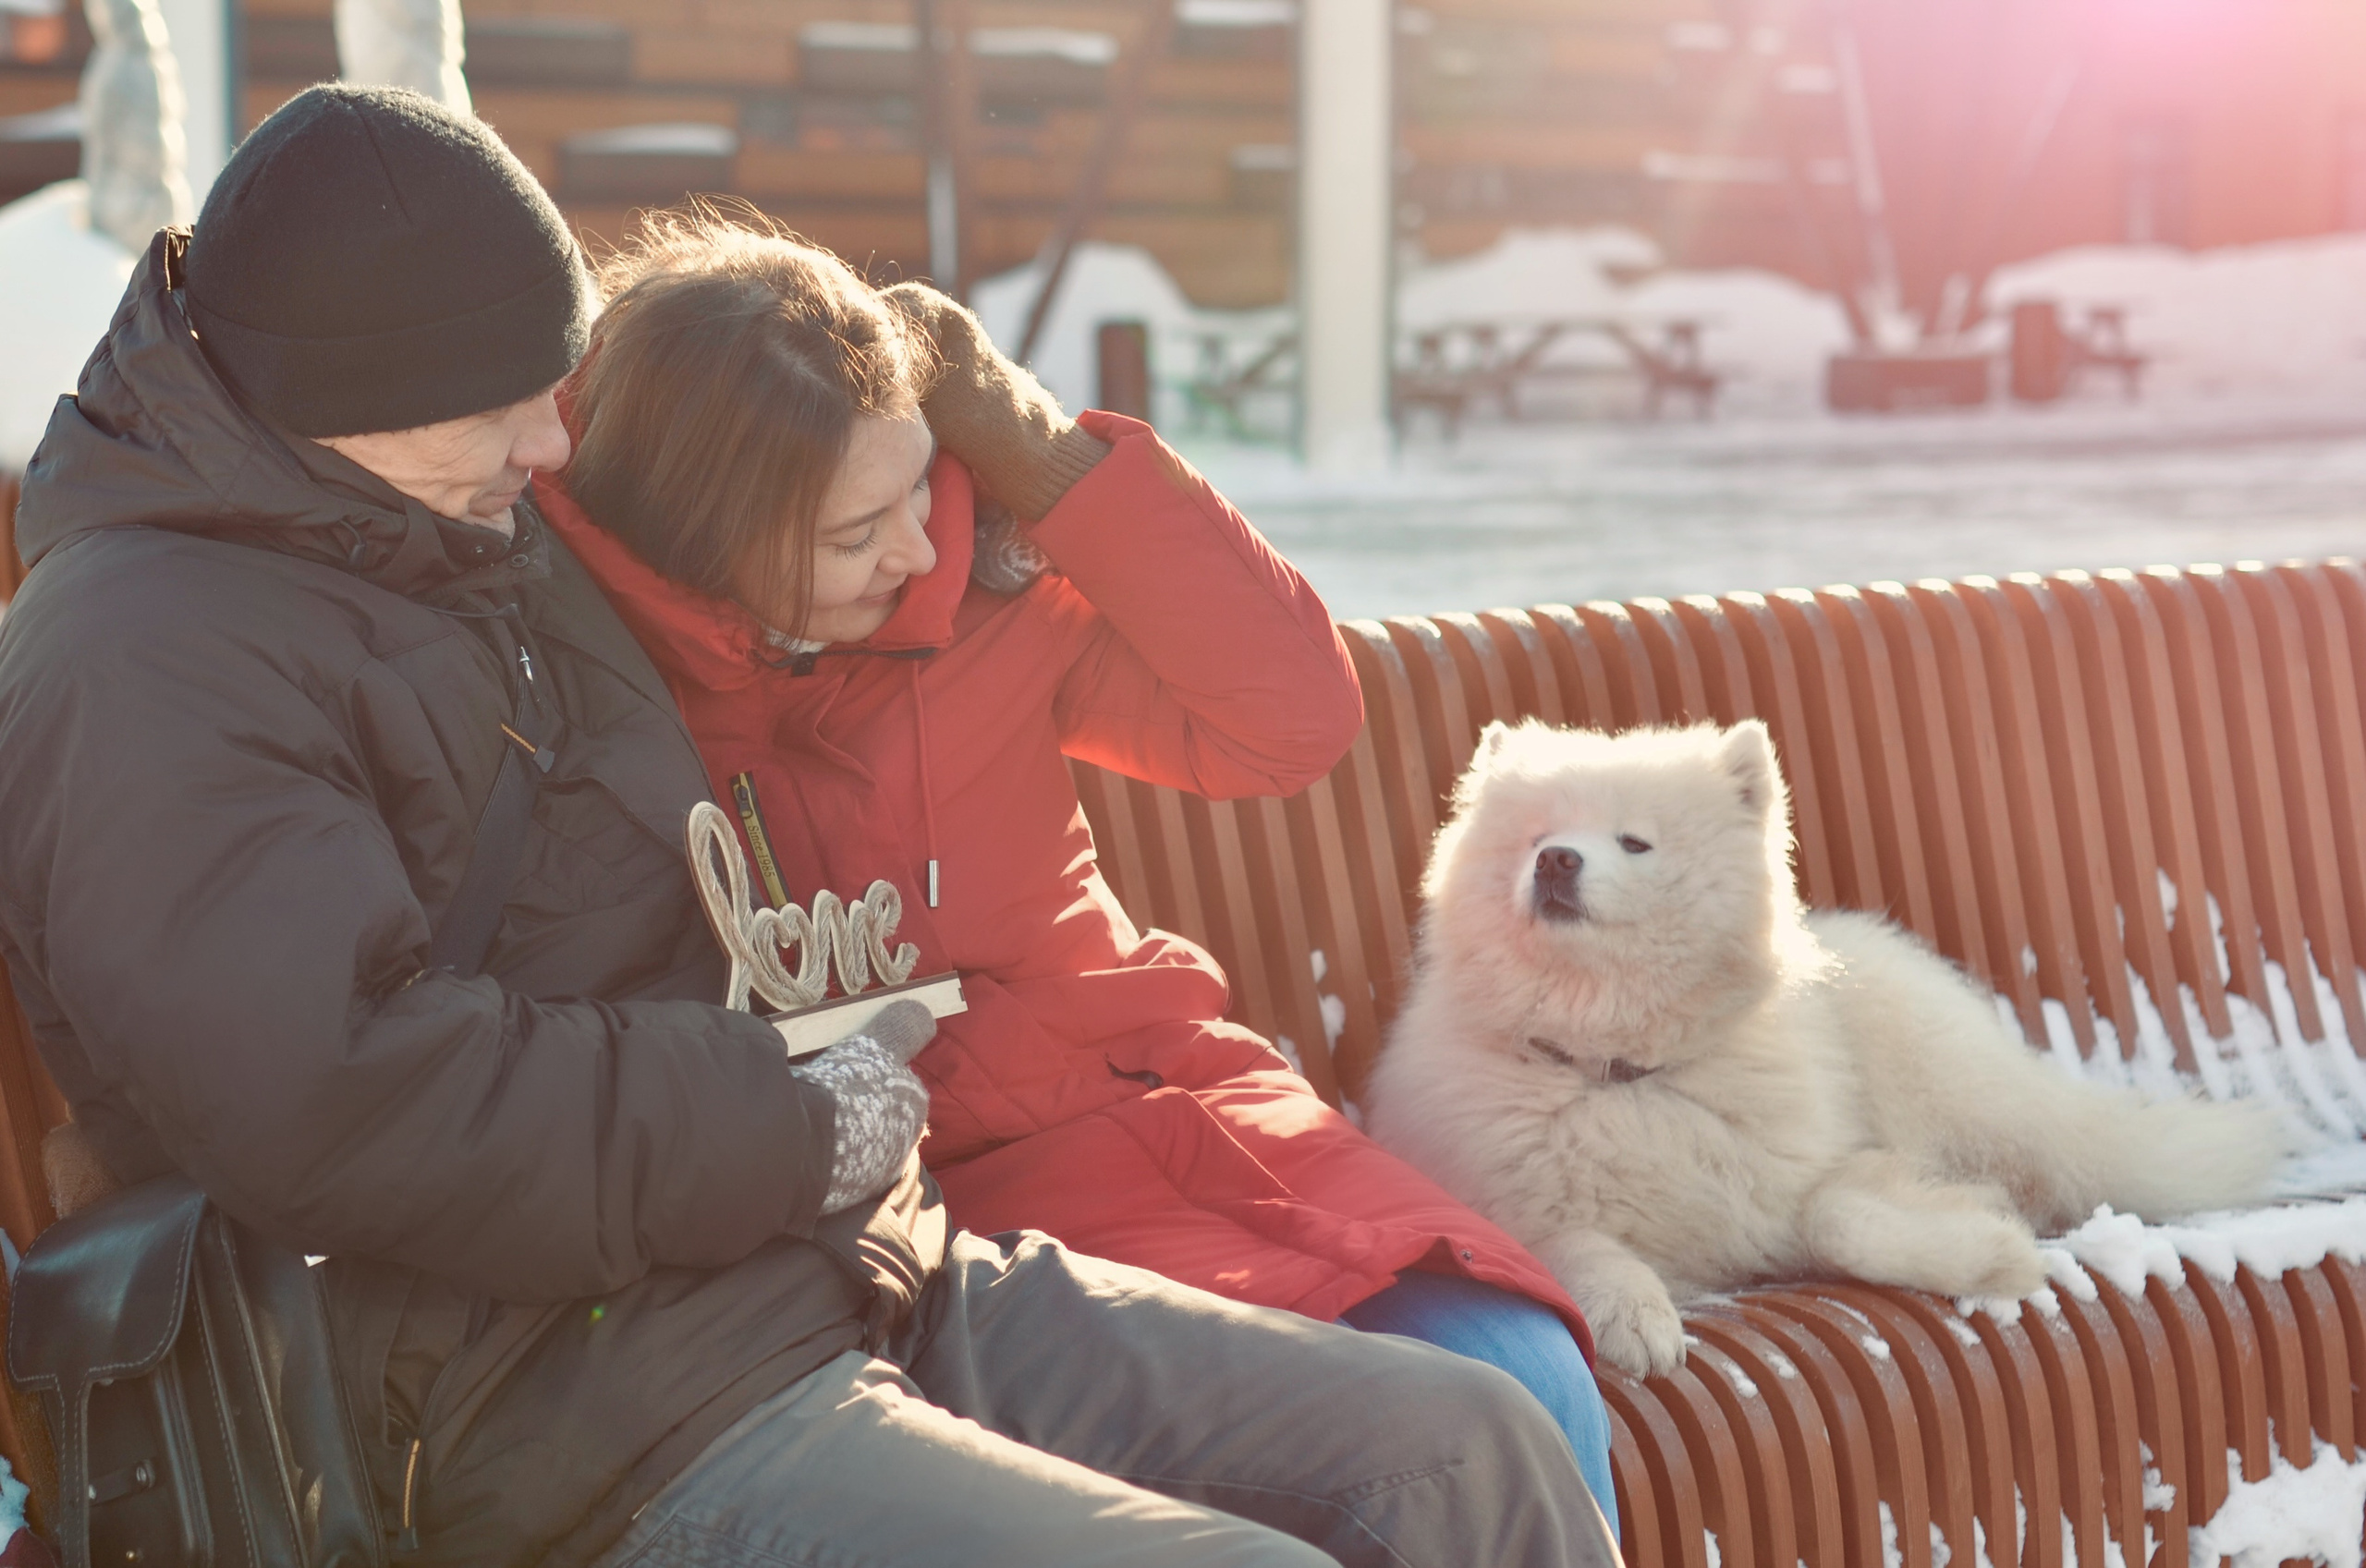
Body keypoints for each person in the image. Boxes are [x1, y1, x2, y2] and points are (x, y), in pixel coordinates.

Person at [0, 83, 1618, 1568]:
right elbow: (342, 1097)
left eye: (551, 389)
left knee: (1469, 1451)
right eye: (502, 404)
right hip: (540, 1405)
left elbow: (734, 501)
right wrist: (780, 1119)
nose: (549, 444)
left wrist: (1012, 479)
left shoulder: (446, 521)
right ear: (351, 397)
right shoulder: (147, 659)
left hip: (823, 1265)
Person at [532, 212, 1619, 1519]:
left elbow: (1287, 723)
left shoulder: (979, 604)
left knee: (1520, 1381)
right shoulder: (571, 682)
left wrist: (1044, 461)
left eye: (918, 486)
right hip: (934, 1215)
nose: (915, 549)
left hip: (1170, 1102)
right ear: (710, 533)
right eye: (854, 530)